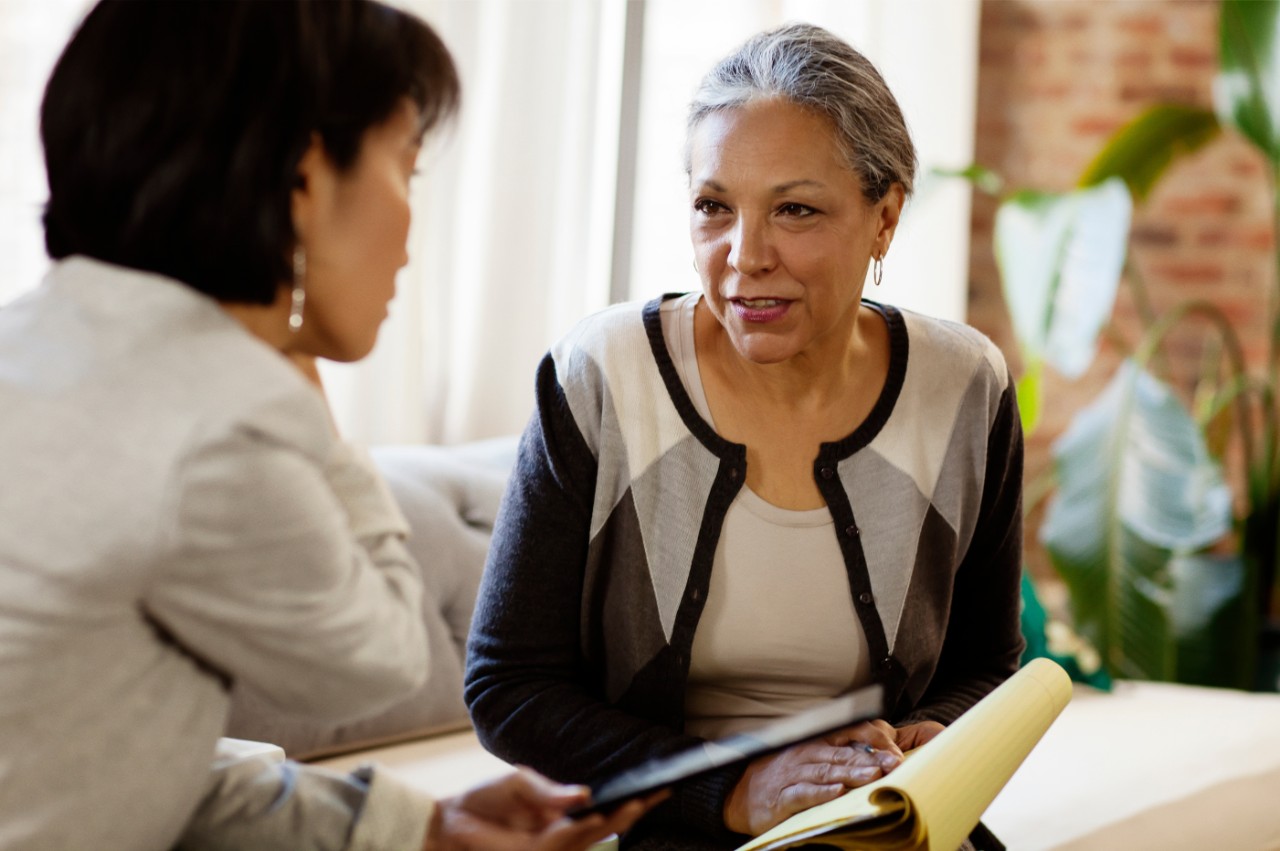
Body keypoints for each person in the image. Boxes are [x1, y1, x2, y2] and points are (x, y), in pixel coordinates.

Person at [0, 2, 653, 849]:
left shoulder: (39, 343)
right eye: (407, 168)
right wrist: (301, 375)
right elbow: (381, 658)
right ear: (304, 177)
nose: (411, 237)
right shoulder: (223, 411)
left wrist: (423, 824)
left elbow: (87, 743)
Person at [465, 22, 1024, 851]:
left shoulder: (967, 385)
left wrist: (938, 735)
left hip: (884, 830)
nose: (744, 256)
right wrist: (736, 791)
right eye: (713, 207)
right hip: (671, 831)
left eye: (794, 209)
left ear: (885, 217)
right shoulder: (604, 375)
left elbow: (985, 662)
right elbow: (509, 687)